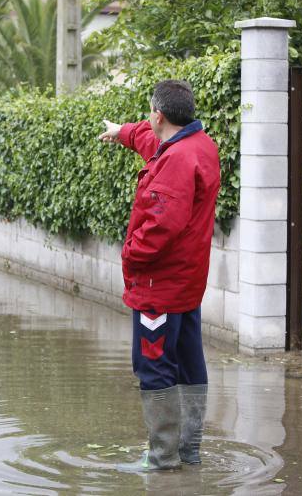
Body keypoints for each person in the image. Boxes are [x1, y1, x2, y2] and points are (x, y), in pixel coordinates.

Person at [99, 80, 220, 471]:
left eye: (149, 116)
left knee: (153, 366)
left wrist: (130, 257)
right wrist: (121, 133)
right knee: (187, 359)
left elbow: (161, 224)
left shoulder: (178, 160)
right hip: (186, 284)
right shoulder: (197, 146)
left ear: (159, 115)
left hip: (158, 286)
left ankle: (163, 460)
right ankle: (189, 451)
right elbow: (151, 141)